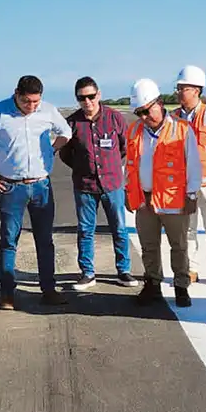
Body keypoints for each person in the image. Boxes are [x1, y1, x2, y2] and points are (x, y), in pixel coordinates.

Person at [0, 75, 72, 310]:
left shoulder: (48, 111)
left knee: (44, 240)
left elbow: (66, 132)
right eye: (27, 101)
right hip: (11, 187)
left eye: (36, 102)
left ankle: (49, 289)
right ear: (16, 94)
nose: (32, 106)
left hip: (41, 185)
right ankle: (7, 293)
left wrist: (51, 150)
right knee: (9, 240)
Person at [125, 78, 202, 307]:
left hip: (173, 200)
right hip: (144, 198)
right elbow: (130, 165)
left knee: (179, 246)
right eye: (139, 113)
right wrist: (130, 192)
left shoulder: (181, 129)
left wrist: (191, 195)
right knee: (148, 246)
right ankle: (152, 284)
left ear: (159, 103)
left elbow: (193, 165)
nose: (143, 117)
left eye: (146, 111)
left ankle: (181, 286)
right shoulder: (135, 130)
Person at [58, 76, 137, 291]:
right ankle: (87, 272)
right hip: (85, 186)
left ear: (99, 95)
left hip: (112, 184)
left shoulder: (114, 118)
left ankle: (123, 270)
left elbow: (124, 147)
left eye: (91, 96)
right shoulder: (72, 123)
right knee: (85, 230)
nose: (87, 101)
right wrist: (83, 167)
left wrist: (111, 166)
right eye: (82, 98)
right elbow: (65, 153)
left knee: (119, 228)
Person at [171, 65, 206, 286]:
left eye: (183, 88)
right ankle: (191, 268)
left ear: (196, 90)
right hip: (184, 183)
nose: (179, 92)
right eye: (178, 88)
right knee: (188, 228)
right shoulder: (173, 118)